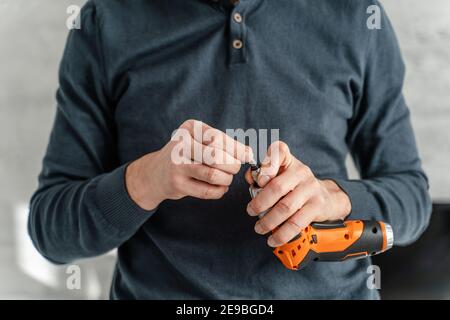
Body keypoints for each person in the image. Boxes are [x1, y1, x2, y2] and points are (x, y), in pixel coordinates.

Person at [28, 0, 432, 299]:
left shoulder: (356, 16)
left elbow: (412, 199)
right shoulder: (104, 21)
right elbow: (51, 231)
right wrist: (147, 179)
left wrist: (334, 198)